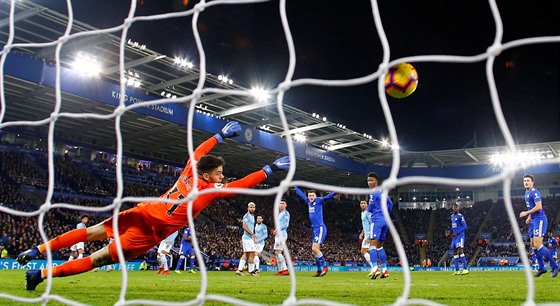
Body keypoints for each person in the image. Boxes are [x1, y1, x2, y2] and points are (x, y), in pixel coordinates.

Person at [16, 121, 290, 290]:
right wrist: (269, 169)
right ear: (208, 177)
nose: (222, 177)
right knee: (96, 259)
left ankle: (36, 249)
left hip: (143, 211)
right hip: (149, 231)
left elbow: (198, 152)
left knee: (92, 233)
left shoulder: (189, 171)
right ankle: (40, 274)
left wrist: (219, 135)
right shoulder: (207, 190)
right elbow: (241, 183)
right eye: (219, 174)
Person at [519, 174, 559, 278]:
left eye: (528, 180)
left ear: (532, 182)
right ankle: (542, 268)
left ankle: (555, 266)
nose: (526, 182)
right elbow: (532, 206)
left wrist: (526, 213)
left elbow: (539, 206)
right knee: (533, 246)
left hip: (540, 220)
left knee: (538, 244)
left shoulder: (534, 192)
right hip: (533, 220)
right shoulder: (526, 193)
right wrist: (529, 218)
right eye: (524, 181)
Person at [294, 186, 337, 277]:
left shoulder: (319, 201)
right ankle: (318, 270)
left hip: (320, 228)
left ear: (316, 196)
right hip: (314, 229)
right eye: (309, 196)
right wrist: (295, 186)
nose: (311, 197)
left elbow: (327, 197)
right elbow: (301, 194)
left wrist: (336, 191)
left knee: (314, 249)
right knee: (315, 251)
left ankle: (325, 266)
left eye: (312, 195)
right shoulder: (308, 201)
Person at [366, 172, 393, 280]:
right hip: (385, 221)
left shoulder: (373, 192)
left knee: (372, 245)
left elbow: (371, 206)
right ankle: (385, 270)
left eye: (371, 180)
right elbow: (390, 204)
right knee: (380, 246)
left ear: (376, 181)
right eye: (368, 181)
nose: (369, 183)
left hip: (376, 220)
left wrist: (366, 212)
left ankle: (375, 268)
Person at [236, 202, 258, 276]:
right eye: (250, 207)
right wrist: (252, 234)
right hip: (247, 238)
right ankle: (251, 271)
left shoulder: (252, 216)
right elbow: (244, 226)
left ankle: (239, 270)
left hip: (248, 238)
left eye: (253, 207)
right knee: (253, 254)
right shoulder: (246, 216)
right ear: (248, 208)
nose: (252, 208)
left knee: (246, 254)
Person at [448, 202, 469, 276]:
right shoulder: (452, 216)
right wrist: (449, 232)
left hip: (460, 236)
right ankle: (457, 270)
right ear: (452, 208)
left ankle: (465, 269)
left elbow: (465, 226)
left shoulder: (461, 216)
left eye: (456, 207)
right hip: (454, 237)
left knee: (460, 251)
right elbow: (453, 227)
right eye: (454, 207)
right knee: (454, 252)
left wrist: (457, 232)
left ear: (458, 208)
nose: (455, 208)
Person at [273, 199, 290, 276]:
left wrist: (277, 229)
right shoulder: (280, 213)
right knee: (277, 253)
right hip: (278, 235)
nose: (281, 205)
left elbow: (286, 225)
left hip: (282, 235)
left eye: (283, 203)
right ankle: (280, 270)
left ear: (286, 205)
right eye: (280, 203)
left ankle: (285, 270)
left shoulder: (286, 213)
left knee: (279, 252)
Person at [358, 199, 375, 276]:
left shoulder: (368, 213)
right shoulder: (362, 213)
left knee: (364, 251)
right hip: (366, 234)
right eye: (361, 203)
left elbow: (371, 223)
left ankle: (374, 268)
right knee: (365, 251)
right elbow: (365, 225)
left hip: (369, 235)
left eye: (364, 203)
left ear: (367, 204)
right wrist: (362, 233)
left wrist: (368, 236)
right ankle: (374, 268)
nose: (363, 204)